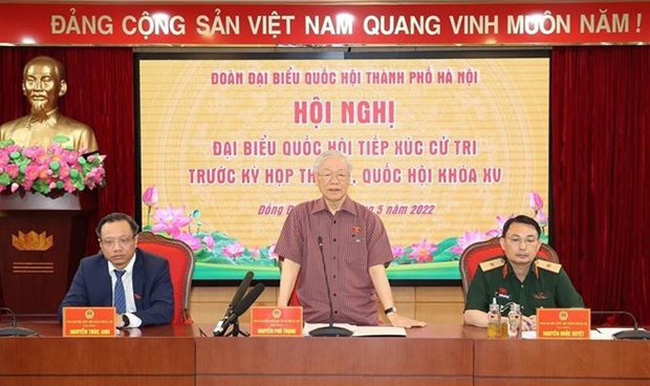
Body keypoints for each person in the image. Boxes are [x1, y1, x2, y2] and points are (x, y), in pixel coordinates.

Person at [275, 150, 426, 328]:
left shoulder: (368, 219)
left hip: (360, 324)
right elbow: (291, 264)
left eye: (341, 175)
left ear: (349, 179)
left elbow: (376, 270)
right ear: (316, 178)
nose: (334, 181)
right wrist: (281, 311)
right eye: (327, 174)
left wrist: (391, 313)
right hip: (312, 323)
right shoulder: (300, 216)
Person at [463, 215, 584, 330]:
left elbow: (579, 313)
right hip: (500, 344)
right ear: (503, 243)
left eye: (530, 240)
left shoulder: (553, 273)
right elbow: (470, 314)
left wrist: (547, 321)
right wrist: (506, 321)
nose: (522, 247)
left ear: (538, 246)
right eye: (515, 240)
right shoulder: (488, 272)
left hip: (543, 347)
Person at [59, 213, 173, 328]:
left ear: (135, 240)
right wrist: (104, 321)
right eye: (109, 242)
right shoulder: (88, 268)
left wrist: (124, 319)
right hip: (102, 339)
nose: (117, 248)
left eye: (123, 240)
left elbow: (164, 310)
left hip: (145, 337)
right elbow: (66, 311)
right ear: (101, 244)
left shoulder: (155, 266)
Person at [0, 55, 98, 152]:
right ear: (24, 87)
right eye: (31, 80)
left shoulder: (80, 134)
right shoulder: (5, 132)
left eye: (46, 80)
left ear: (62, 88)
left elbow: (93, 167)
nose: (37, 88)